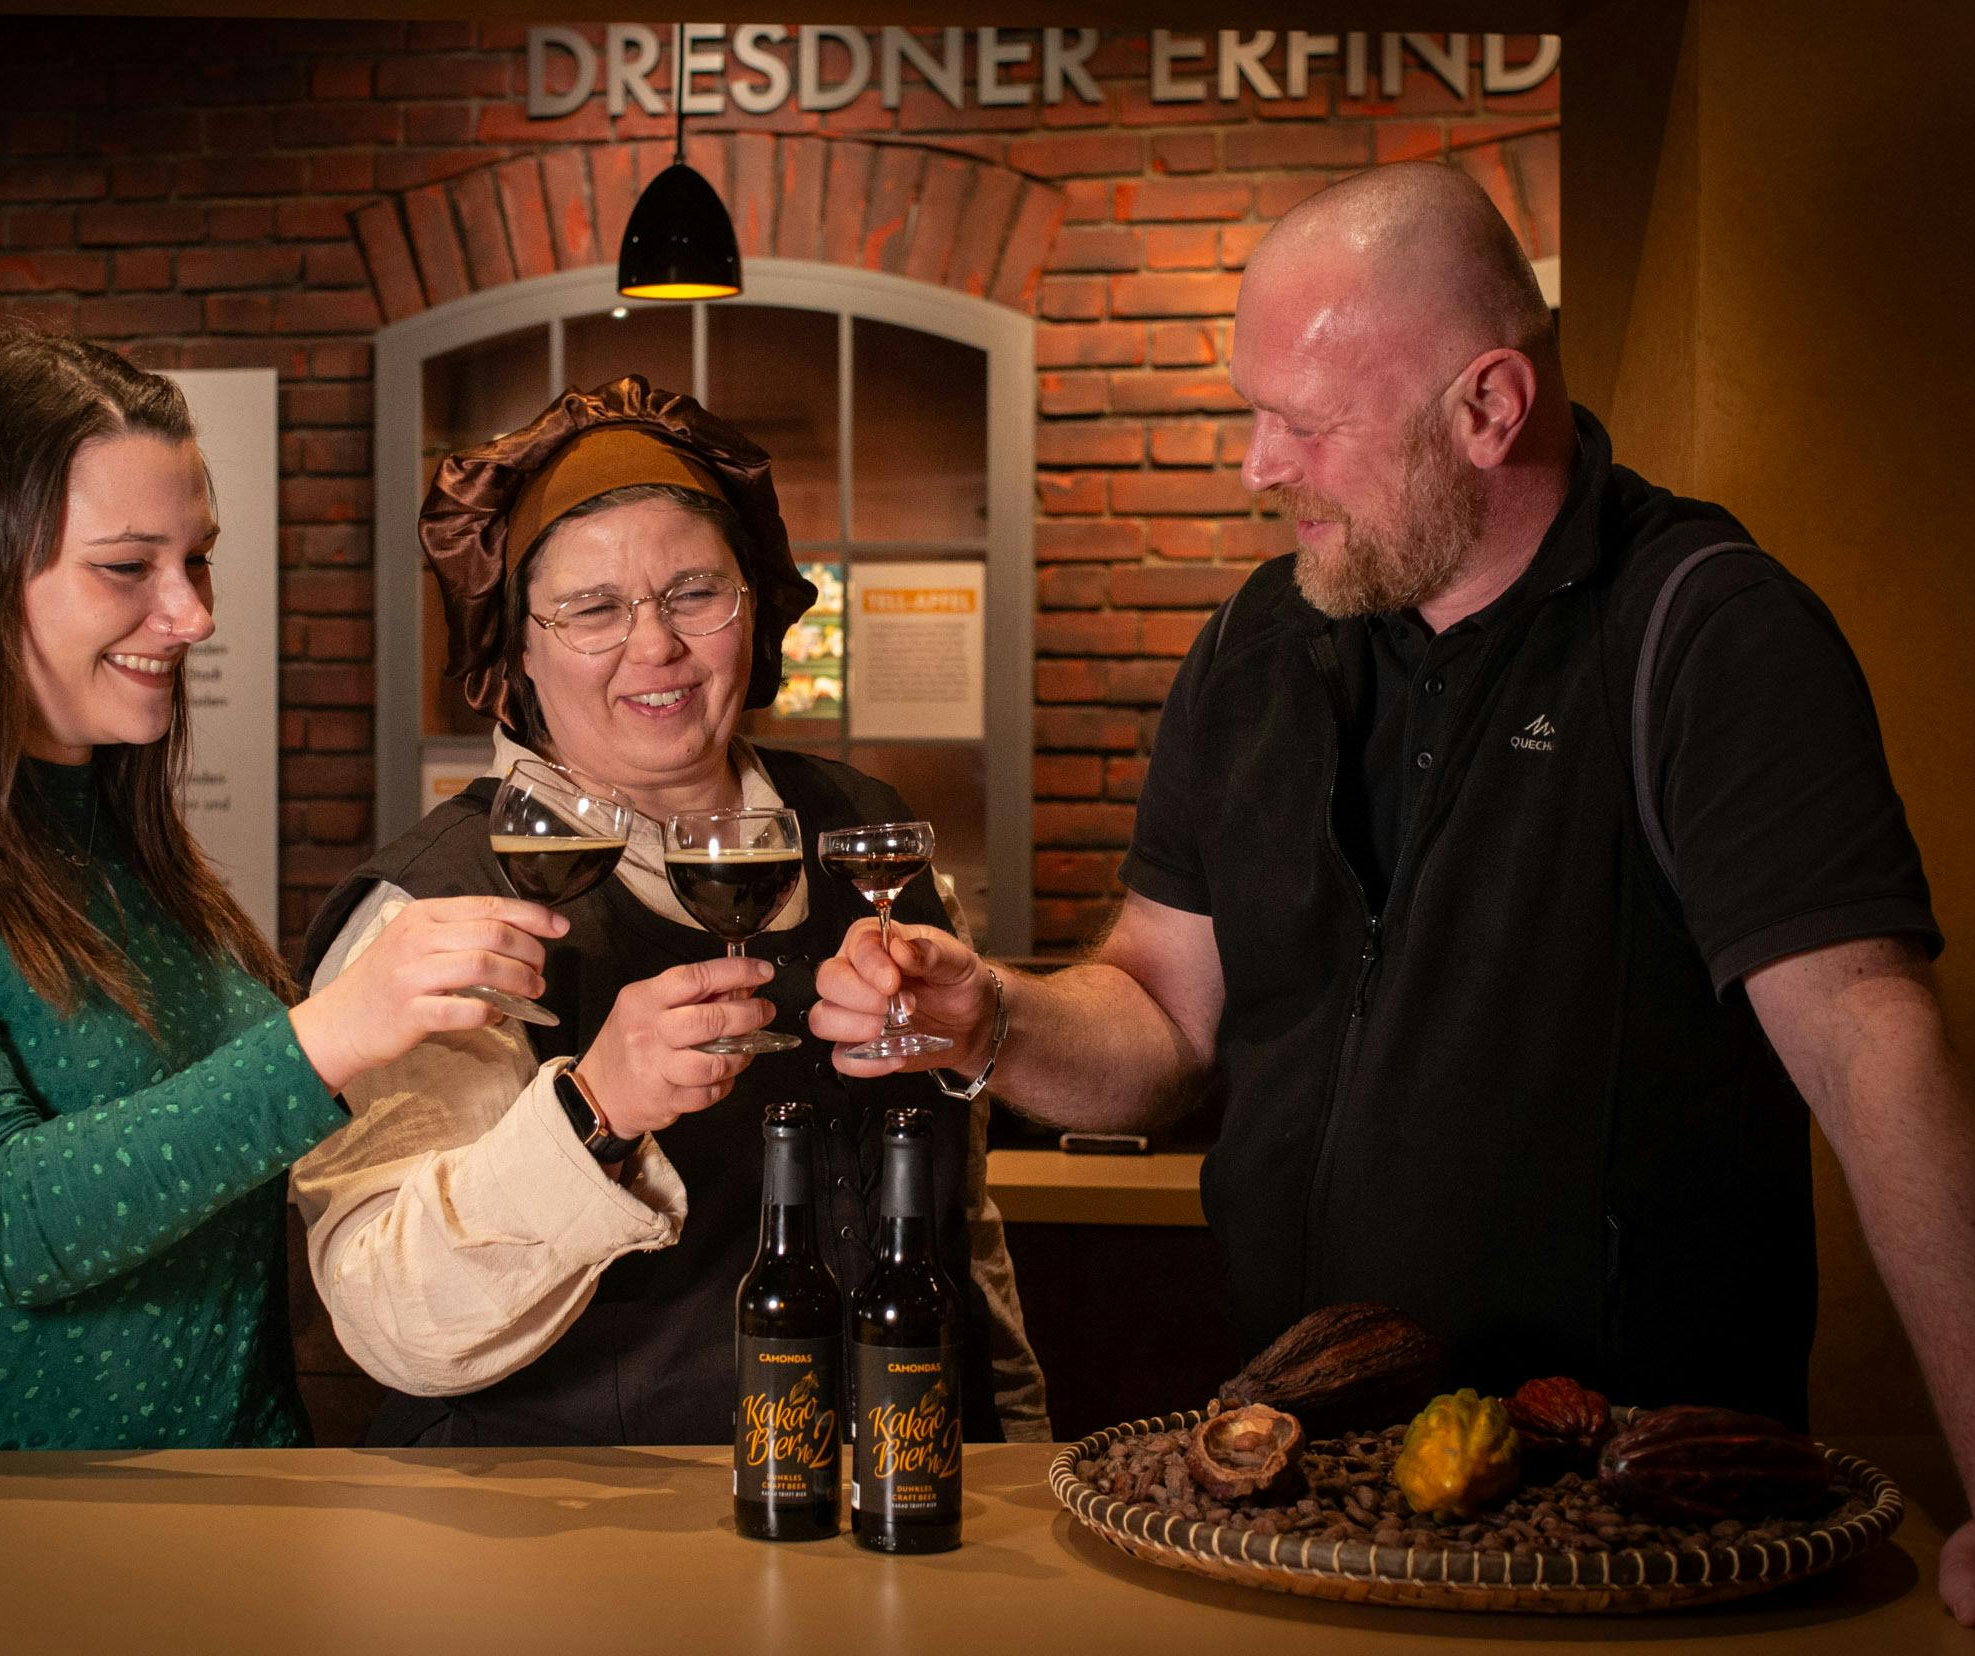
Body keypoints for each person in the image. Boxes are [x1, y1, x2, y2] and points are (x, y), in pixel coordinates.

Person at [814, 162, 1975, 1622]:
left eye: (1303, 425)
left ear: (1488, 406)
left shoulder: (1706, 634)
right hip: (1304, 1497)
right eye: (1250, 415)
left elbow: (1873, 1048)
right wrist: (988, 1018)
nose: (1256, 467)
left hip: (1628, 1531)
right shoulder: (1252, 648)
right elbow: (1159, 1017)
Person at [0, 331, 561, 1451]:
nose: (193, 614)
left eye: (196, 559)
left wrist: (582, 1114)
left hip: (223, 1513)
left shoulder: (131, 849)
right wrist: (328, 1035)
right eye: (127, 567)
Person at [290, 376, 1048, 1446]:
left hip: (894, 1482)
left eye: (693, 593)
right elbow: (393, 1325)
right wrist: (593, 1108)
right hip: (586, 1517)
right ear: (517, 648)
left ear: (755, 607)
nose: (654, 647)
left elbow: (957, 1213)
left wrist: (1012, 1426)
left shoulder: (864, 829)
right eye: (592, 609)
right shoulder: (428, 905)